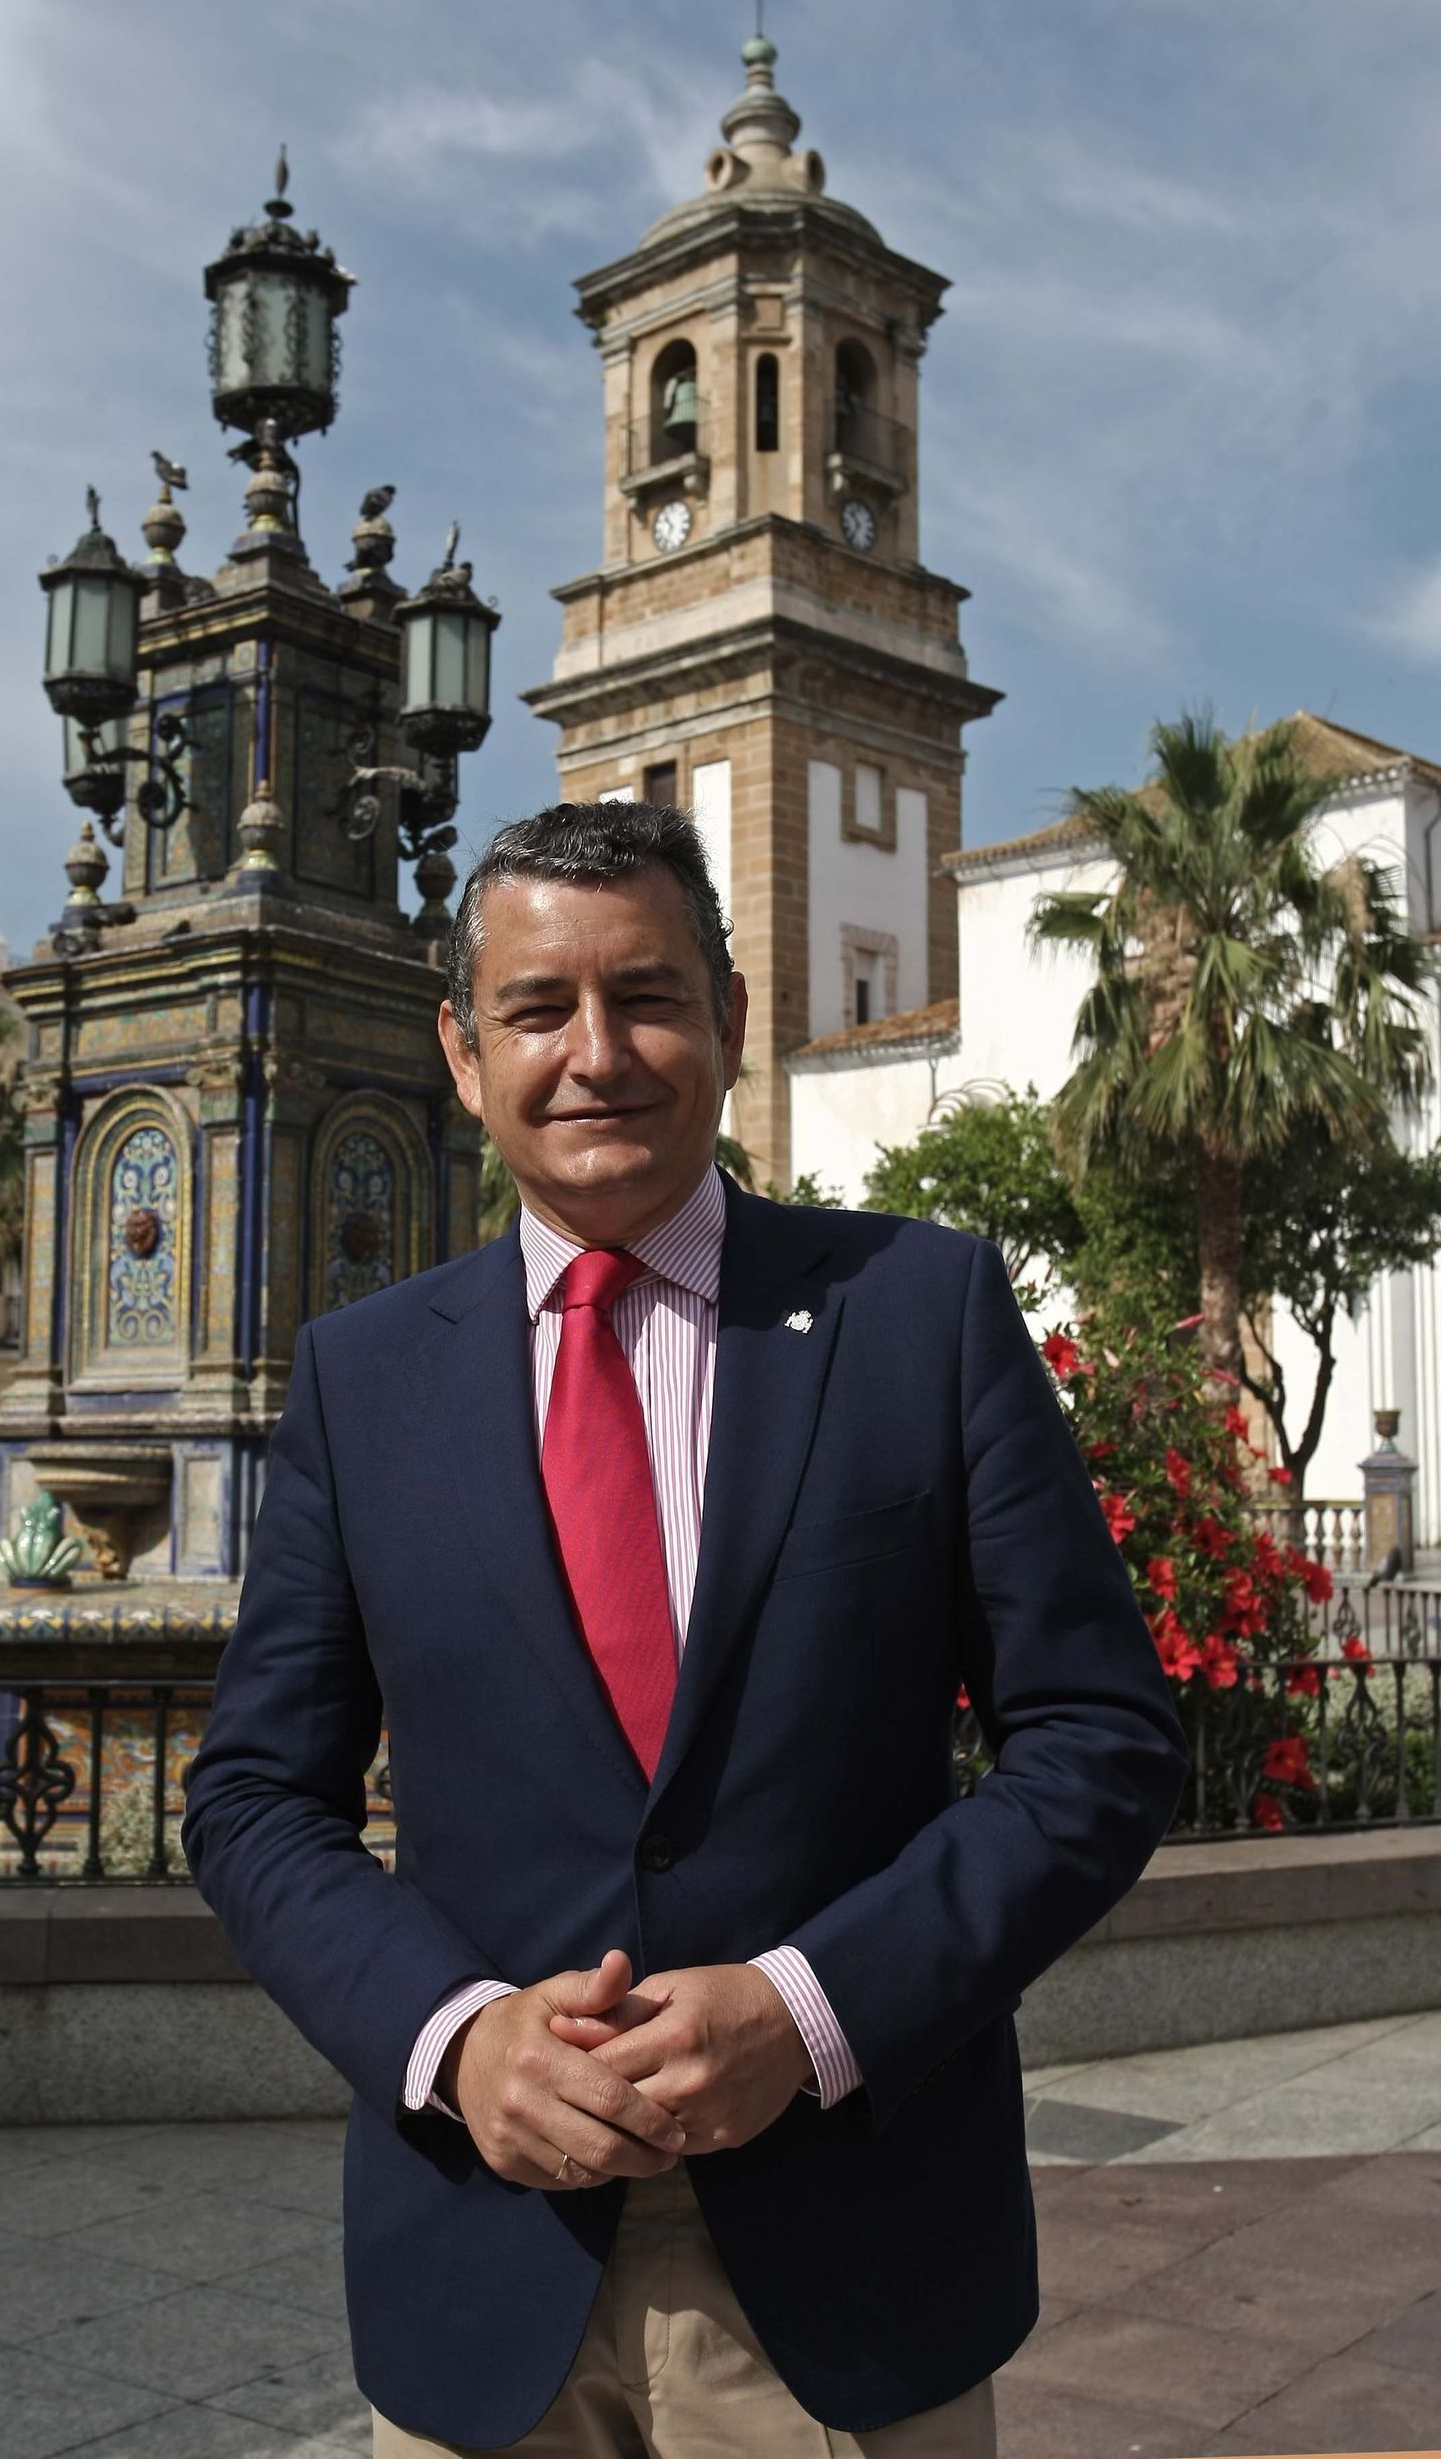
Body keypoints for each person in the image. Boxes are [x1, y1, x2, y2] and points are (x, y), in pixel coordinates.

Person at [182, 801, 1188, 2458]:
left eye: (645, 995)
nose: (596, 1053)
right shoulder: (363, 1380)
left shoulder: (918, 1314)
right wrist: (455, 2039)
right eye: (537, 1008)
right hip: (479, 2265)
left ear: (727, 1011)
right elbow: (251, 1799)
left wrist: (810, 2007)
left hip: (853, 2270)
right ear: (463, 1052)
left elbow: (1099, 1739)